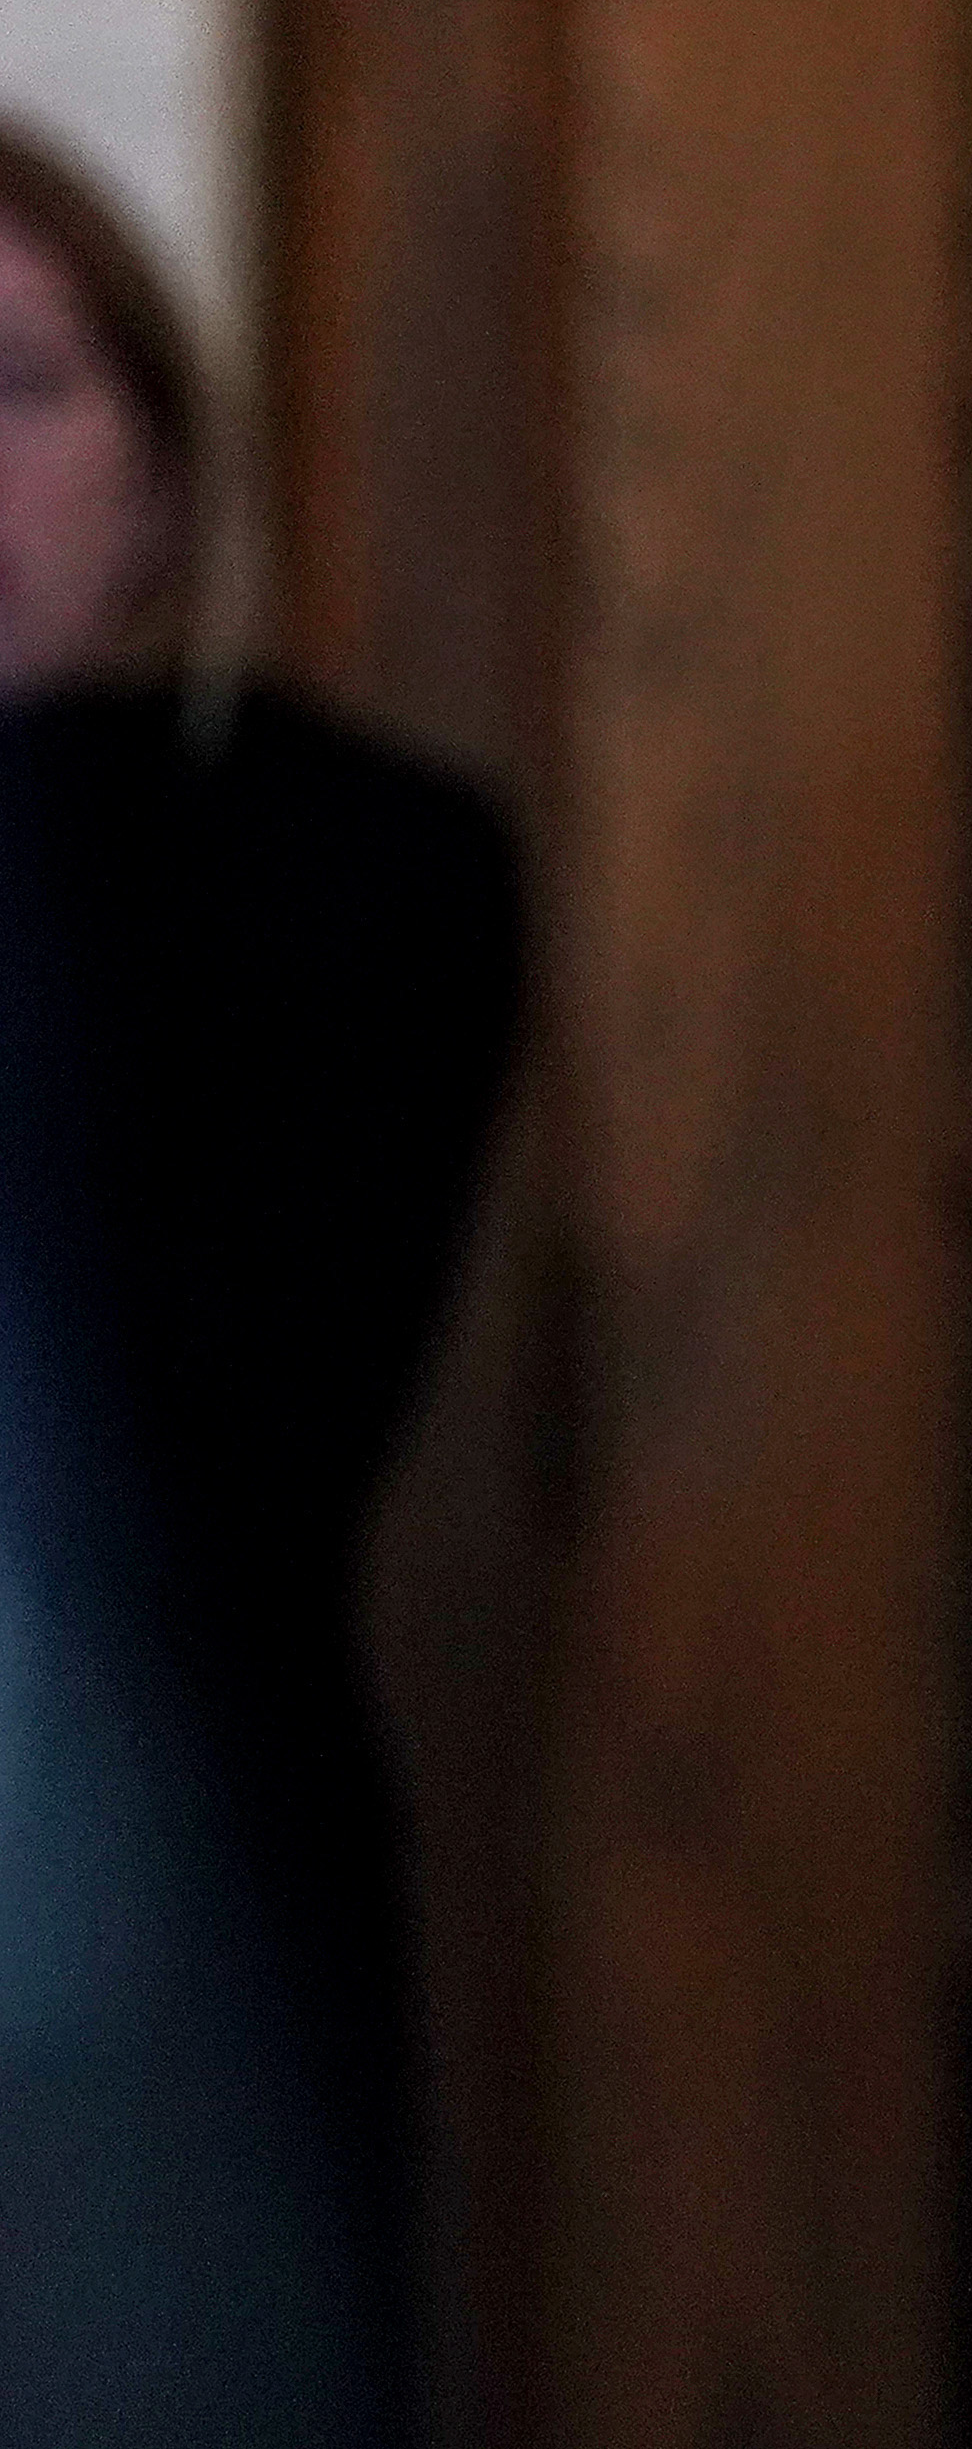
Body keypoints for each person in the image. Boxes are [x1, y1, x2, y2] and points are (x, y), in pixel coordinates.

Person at [0, 117, 527, 2439]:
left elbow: (223, 1436)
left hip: (156, 1956)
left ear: (160, 463)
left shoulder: (351, 861)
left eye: (19, 387)